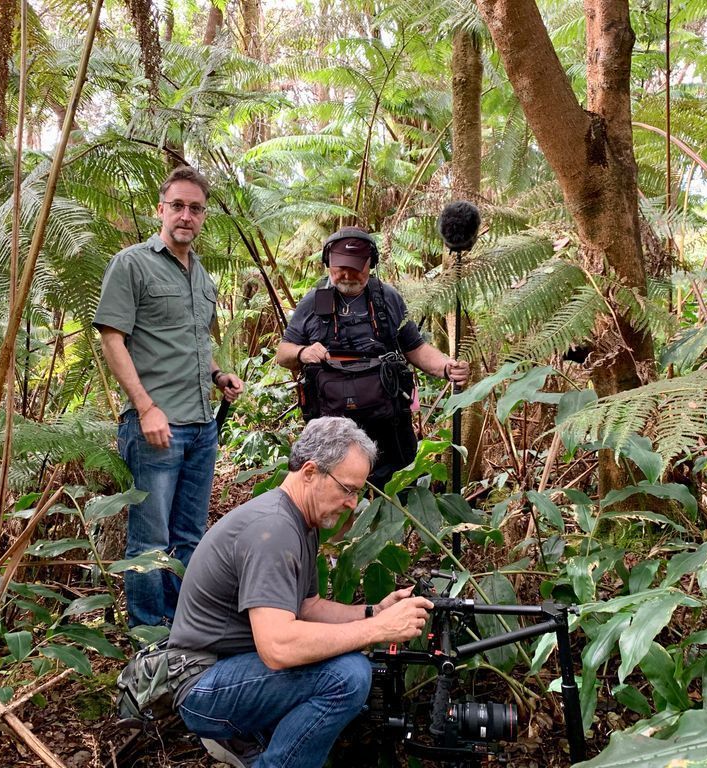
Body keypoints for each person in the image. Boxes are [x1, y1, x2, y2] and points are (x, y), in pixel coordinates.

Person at [168, 417, 434, 768]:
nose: (353, 503)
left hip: (230, 669)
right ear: (310, 472)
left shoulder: (299, 522)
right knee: (347, 676)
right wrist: (378, 631)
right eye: (348, 489)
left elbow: (306, 607)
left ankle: (256, 739)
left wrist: (375, 612)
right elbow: (278, 646)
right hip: (202, 683)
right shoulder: (274, 529)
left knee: (352, 673)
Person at [94, 165, 243, 628]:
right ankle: (147, 636)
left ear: (203, 217)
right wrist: (145, 407)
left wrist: (218, 375)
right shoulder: (132, 263)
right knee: (149, 541)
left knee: (190, 537)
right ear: (161, 210)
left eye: (195, 208)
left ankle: (183, 629)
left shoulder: (203, 277)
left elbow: (195, 340)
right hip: (155, 425)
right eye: (177, 205)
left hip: (201, 426)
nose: (186, 215)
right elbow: (112, 338)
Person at [276, 227, 470, 491]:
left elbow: (415, 348)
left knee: (397, 488)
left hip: (387, 419)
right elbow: (282, 352)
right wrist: (302, 352)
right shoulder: (313, 302)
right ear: (328, 264)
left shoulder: (386, 299)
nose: (346, 275)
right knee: (331, 491)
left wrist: (447, 367)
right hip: (331, 424)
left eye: (355, 268)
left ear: (371, 264)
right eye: (340, 267)